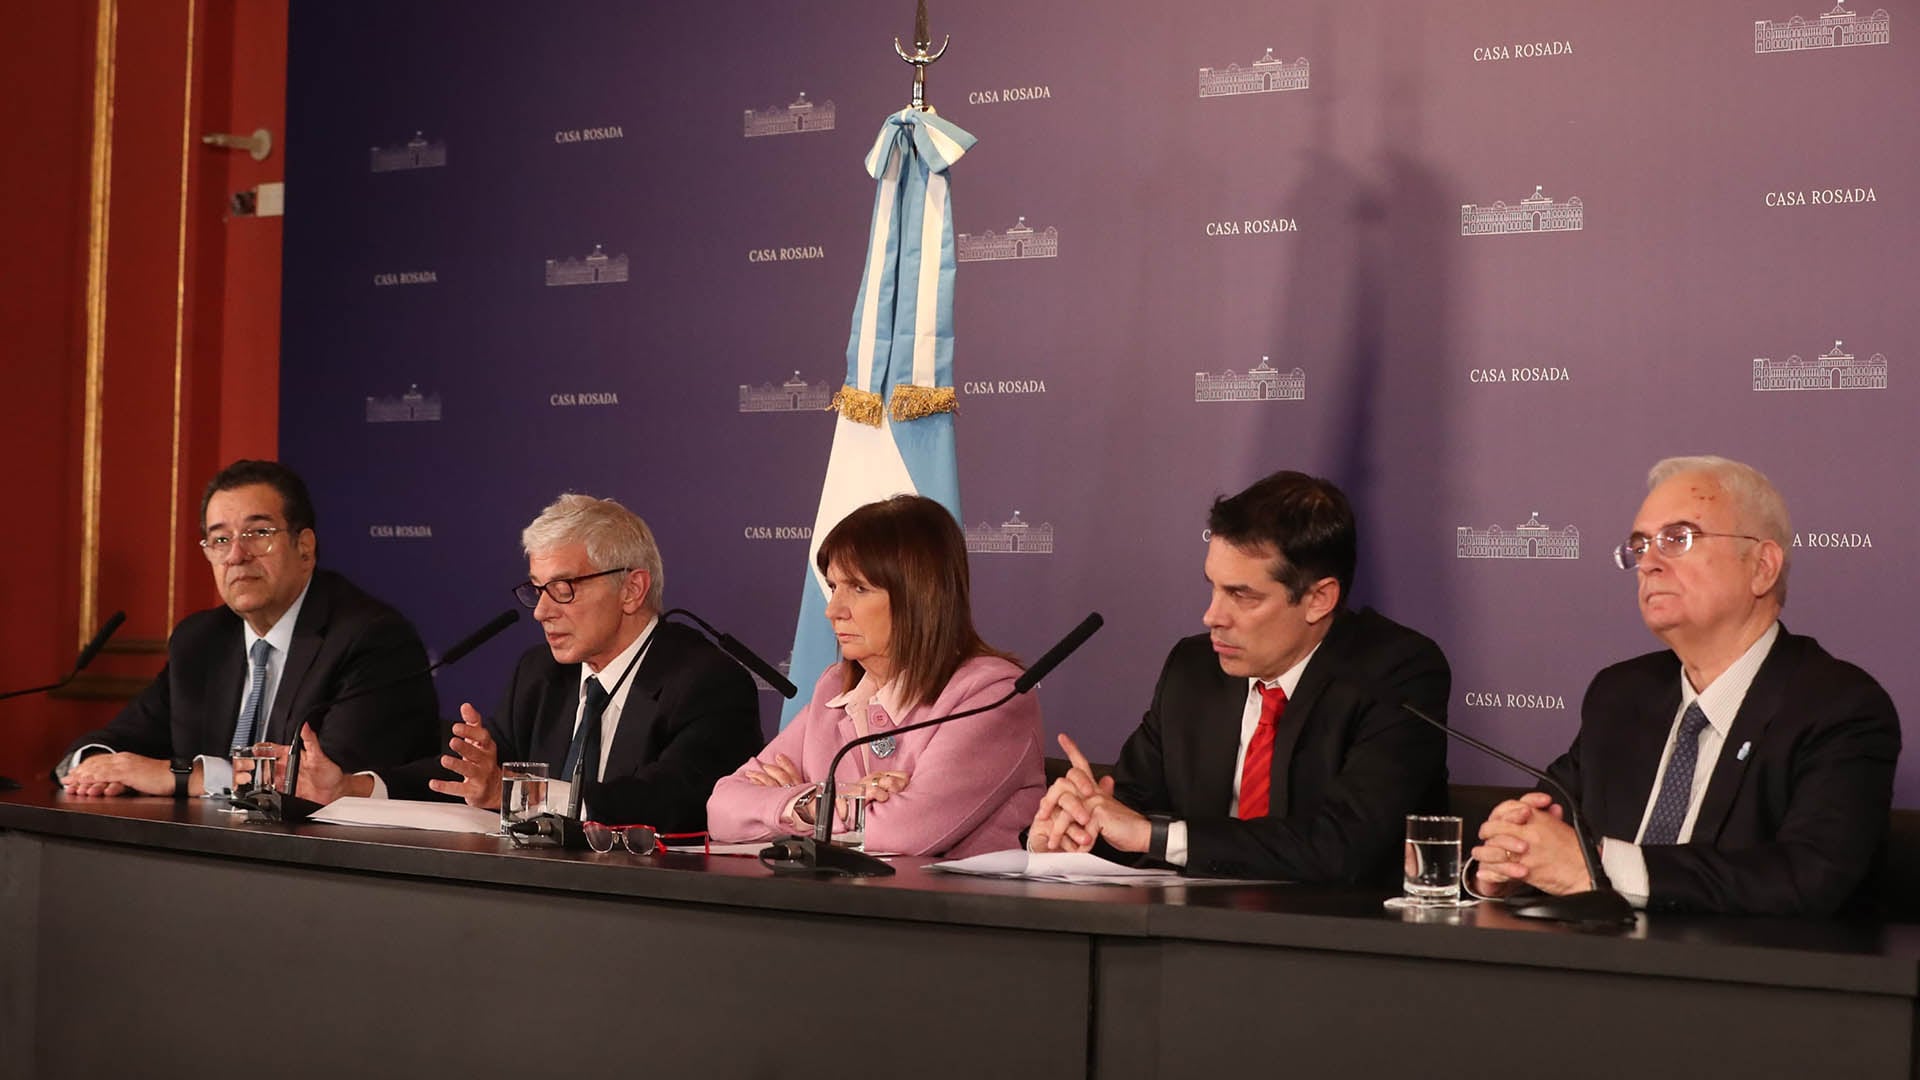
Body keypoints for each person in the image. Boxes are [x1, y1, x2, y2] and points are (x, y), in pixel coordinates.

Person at [1470, 456, 1900, 916]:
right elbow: (1547, 828)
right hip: (1589, 971)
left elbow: (1809, 877)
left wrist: (1598, 867)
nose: (1648, 563)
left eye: (1677, 539)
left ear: (1762, 566)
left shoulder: (1838, 706)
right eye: (1639, 545)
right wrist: (1506, 863)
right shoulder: (1621, 695)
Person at [1029, 470, 1450, 883]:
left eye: (1241, 595)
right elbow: (1127, 813)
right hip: (1190, 936)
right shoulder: (1193, 669)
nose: (1212, 617)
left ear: (1319, 599)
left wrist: (1155, 836)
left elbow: (1343, 845)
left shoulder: (1395, 673)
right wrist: (1075, 830)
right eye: (1212, 587)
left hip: (1340, 941)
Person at [281, 493, 760, 832]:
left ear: (631, 589)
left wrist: (516, 796)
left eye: (564, 589)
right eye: (537, 588)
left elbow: (670, 800)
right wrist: (353, 786)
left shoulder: (707, 682)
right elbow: (474, 781)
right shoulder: (541, 675)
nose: (541, 610)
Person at [56, 460, 438, 798]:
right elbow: (112, 741)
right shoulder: (202, 640)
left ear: (304, 547)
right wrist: (98, 768)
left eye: (258, 534)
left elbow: (323, 785)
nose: (236, 555)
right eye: (220, 540)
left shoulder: (370, 638)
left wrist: (181, 778)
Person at [707, 494, 1044, 857]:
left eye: (859, 588)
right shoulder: (834, 689)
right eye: (834, 587)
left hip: (957, 912)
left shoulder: (993, 694)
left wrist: (799, 806)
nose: (833, 610)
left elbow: (904, 835)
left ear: (920, 596)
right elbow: (722, 810)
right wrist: (811, 804)